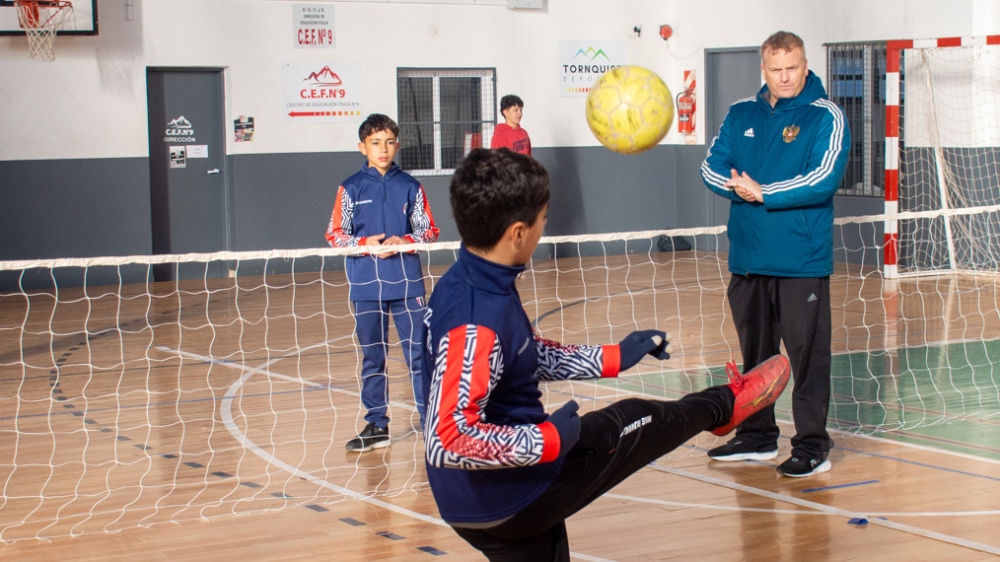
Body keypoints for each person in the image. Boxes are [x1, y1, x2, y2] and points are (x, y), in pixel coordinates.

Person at [421, 147, 792, 561]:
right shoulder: (475, 322)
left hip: (479, 502)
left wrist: (614, 357)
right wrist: (548, 439)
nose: (545, 227)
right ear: (518, 233)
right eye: (544, 220)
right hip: (511, 494)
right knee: (635, 420)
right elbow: (448, 440)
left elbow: (525, 355)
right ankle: (726, 406)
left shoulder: (469, 280)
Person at [700, 31, 850, 477]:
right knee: (756, 357)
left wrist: (762, 192)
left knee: (806, 357)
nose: (786, 77)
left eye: (793, 67)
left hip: (800, 260)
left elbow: (822, 177)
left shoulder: (826, 115)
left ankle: (811, 444)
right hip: (747, 258)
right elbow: (712, 165)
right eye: (776, 69)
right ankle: (757, 436)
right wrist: (737, 185)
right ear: (762, 69)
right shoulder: (740, 113)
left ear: (805, 65)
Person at [326, 113, 440, 452]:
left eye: (389, 142)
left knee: (419, 353)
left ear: (398, 145)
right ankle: (377, 424)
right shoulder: (350, 187)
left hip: (407, 283)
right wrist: (365, 245)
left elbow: (429, 230)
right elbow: (335, 234)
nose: (383, 149)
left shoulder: (410, 185)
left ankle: (430, 420)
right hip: (365, 285)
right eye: (375, 143)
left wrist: (406, 240)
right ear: (362, 147)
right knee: (373, 356)